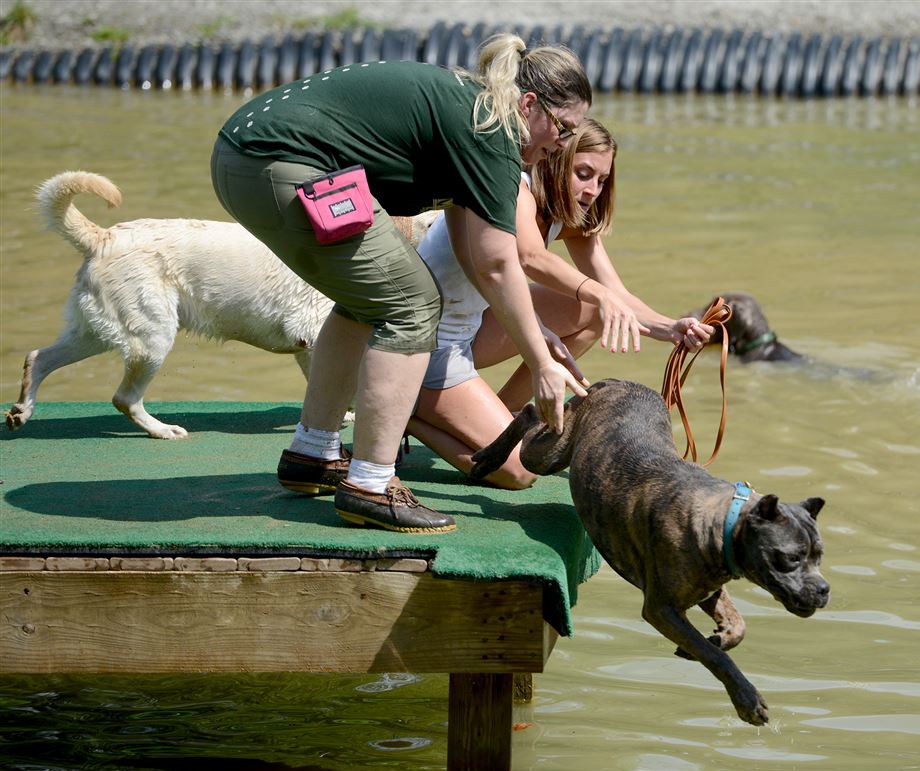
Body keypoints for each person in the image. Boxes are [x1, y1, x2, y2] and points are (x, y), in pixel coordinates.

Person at [210, 34, 591, 532]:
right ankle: (370, 484)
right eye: (562, 129)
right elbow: (500, 264)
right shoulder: (493, 130)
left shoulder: (477, 111)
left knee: (371, 297)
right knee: (412, 304)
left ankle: (313, 454)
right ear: (529, 104)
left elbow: (482, 258)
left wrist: (534, 334)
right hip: (273, 161)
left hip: (245, 155)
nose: (561, 146)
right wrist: (540, 364)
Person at [408, 118, 714, 489]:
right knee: (520, 472)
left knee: (593, 314)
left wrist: (671, 329)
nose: (592, 191)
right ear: (555, 161)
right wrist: (599, 294)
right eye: (583, 174)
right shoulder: (516, 188)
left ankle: (507, 414)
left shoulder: (570, 216)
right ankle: (408, 410)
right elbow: (530, 257)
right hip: (426, 344)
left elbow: (616, 294)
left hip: (473, 327)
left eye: (602, 180)